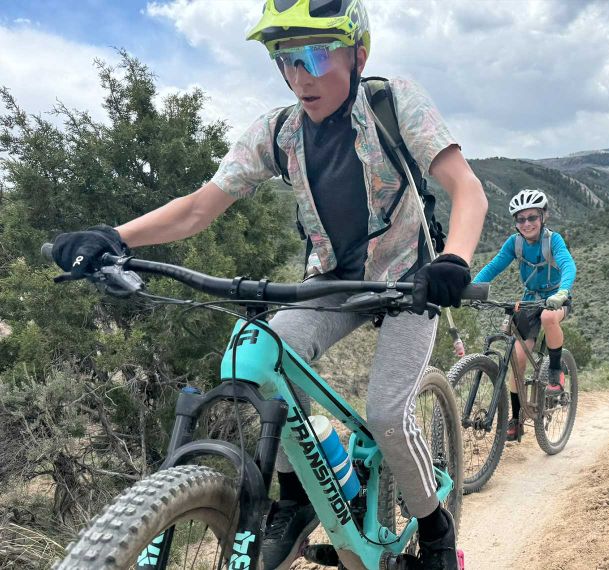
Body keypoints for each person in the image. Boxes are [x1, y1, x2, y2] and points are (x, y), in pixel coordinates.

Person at [49, 1, 487, 568]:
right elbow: (196, 209)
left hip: (411, 281)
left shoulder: (394, 101)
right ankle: (299, 494)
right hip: (332, 281)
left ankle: (434, 528)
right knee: (253, 355)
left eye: (315, 53)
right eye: (285, 58)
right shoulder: (278, 132)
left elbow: (466, 187)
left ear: (358, 53)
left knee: (385, 414)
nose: (300, 74)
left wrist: (453, 258)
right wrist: (115, 237)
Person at [472, 189, 576, 442]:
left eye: (532, 217)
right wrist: (473, 287)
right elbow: (494, 266)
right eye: (521, 219)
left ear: (543, 217)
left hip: (556, 298)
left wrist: (562, 292)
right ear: (516, 223)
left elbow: (567, 264)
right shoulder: (515, 243)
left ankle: (554, 372)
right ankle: (516, 418)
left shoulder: (553, 241)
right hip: (530, 300)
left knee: (549, 318)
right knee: (517, 359)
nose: (527, 223)